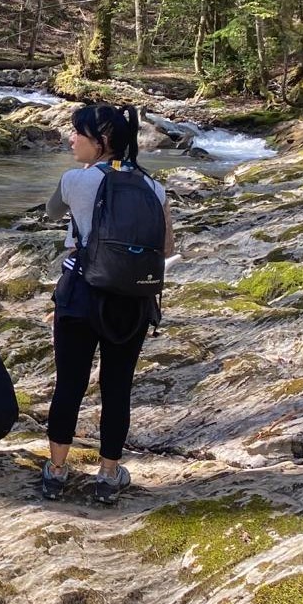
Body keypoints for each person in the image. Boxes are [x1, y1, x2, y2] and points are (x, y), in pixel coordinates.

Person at [41, 104, 174, 505]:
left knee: (69, 384)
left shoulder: (74, 180)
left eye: (78, 133)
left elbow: (51, 212)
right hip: (132, 300)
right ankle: (109, 475)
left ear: (102, 141)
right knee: (118, 388)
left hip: (80, 293)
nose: (71, 139)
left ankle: (57, 472)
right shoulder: (153, 187)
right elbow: (166, 248)